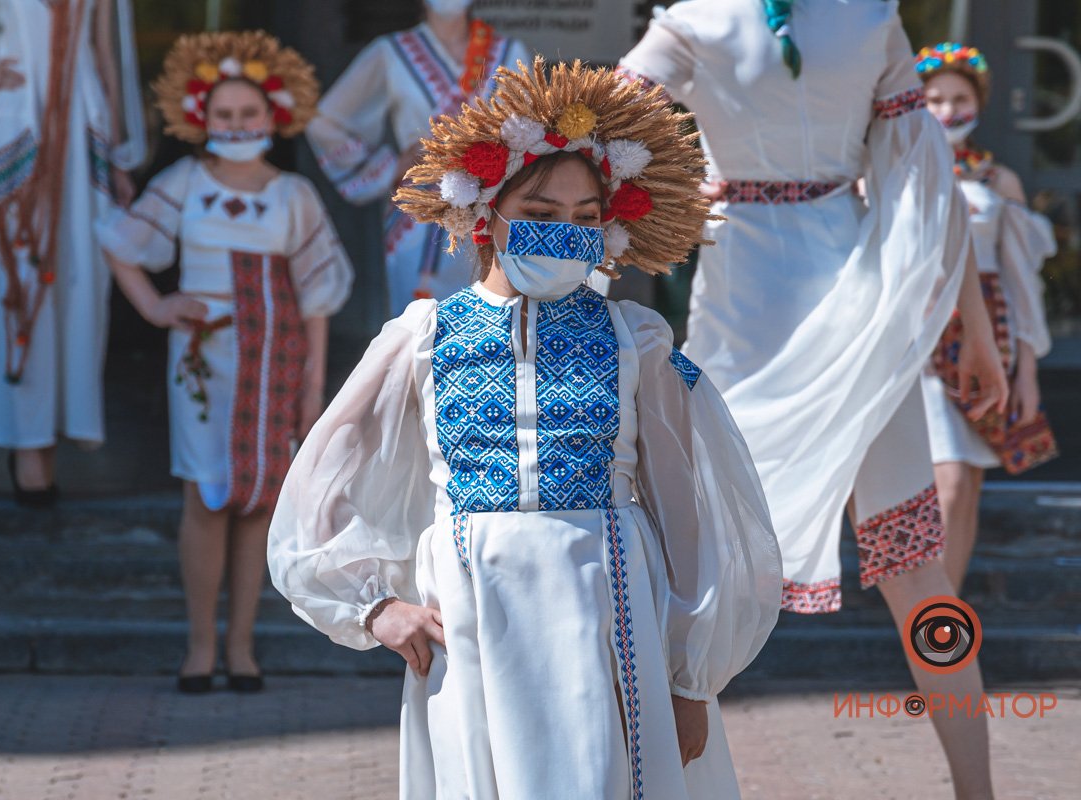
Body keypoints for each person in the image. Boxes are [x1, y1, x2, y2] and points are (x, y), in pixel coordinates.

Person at [269, 58, 782, 799]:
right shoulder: (423, 335)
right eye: (541, 213)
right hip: (474, 609)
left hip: (611, 608)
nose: (564, 233)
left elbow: (684, 515)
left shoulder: (635, 338)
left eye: (584, 218)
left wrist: (691, 676)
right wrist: (374, 604)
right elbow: (324, 481)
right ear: (487, 212)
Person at [618, 2, 1009, 798]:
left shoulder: (698, 19)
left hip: (763, 305)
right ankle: (979, 793)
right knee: (918, 574)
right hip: (849, 309)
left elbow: (592, 130)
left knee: (684, 564)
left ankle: (644, 780)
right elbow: (927, 178)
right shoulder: (865, 15)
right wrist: (974, 327)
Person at [98, 32, 352, 693]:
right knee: (206, 493)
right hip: (205, 360)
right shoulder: (182, 183)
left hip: (279, 359)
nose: (237, 125)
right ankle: (199, 647)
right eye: (225, 114)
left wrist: (313, 389)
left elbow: (319, 297)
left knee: (260, 501)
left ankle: (242, 647)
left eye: (248, 113)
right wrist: (156, 307)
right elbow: (120, 243)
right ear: (200, 119)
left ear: (274, 115)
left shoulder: (295, 194)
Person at [0, 0, 146, 506]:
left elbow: (105, 56)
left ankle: (59, 429)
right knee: (21, 277)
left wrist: (119, 155)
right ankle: (30, 444)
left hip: (82, 123)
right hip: (18, 124)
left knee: (81, 281)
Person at [916, 42, 1059, 590]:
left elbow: (1025, 287)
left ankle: (940, 635)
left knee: (967, 487)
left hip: (987, 340)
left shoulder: (999, 182)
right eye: (935, 99)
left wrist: (1026, 372)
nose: (948, 111)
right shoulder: (896, 174)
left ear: (979, 102)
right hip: (921, 346)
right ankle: (932, 630)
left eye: (959, 98)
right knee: (946, 483)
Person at [305, 0, 528, 317]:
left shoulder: (508, 52)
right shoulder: (391, 52)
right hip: (416, 216)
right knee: (417, 324)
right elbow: (326, 121)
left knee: (494, 318)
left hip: (491, 209)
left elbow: (529, 129)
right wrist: (390, 167)